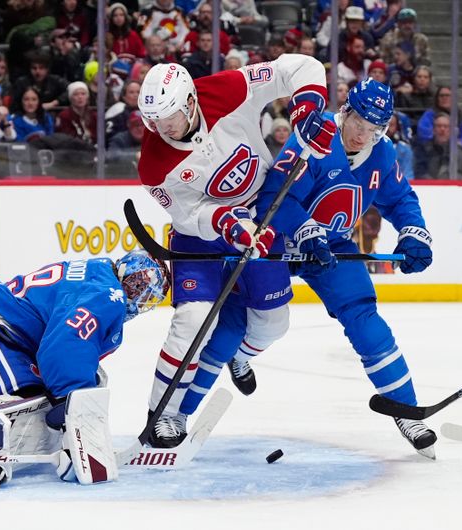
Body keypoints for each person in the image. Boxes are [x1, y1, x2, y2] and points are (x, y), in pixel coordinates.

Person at [177, 79, 438, 459]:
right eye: (359, 124)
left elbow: (400, 199)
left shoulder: (381, 154)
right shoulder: (313, 136)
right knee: (233, 325)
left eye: (374, 129)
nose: (363, 136)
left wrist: (415, 233)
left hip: (331, 248)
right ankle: (177, 416)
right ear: (345, 111)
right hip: (278, 241)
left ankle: (406, 411)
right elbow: (273, 196)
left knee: (366, 320)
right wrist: (304, 229)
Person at [136, 57, 336, 447]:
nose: (162, 128)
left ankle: (237, 353)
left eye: (170, 117)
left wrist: (308, 110)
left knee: (274, 323)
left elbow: (299, 66)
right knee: (193, 321)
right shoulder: (153, 164)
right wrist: (228, 224)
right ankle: (164, 412)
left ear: (191, 102)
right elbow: (189, 214)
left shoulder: (226, 89)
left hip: (260, 216)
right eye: (154, 121)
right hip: (201, 236)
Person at [0, 249, 170, 488]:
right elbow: (66, 344)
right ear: (125, 274)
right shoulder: (106, 296)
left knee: (38, 399)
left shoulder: (100, 273)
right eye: (137, 287)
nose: (138, 298)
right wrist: (71, 401)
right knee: (23, 404)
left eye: (145, 294)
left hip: (7, 336)